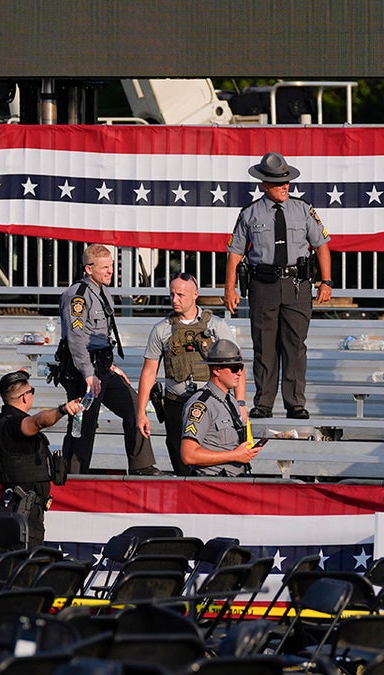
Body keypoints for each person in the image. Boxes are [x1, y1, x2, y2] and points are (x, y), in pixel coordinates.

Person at [224, 152, 333, 420]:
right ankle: (263, 403)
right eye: (278, 183)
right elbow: (235, 253)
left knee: (295, 346)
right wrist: (230, 287)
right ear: (264, 185)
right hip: (263, 286)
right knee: (264, 346)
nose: (285, 187)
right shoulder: (249, 213)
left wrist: (326, 281)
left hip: (297, 285)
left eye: (287, 182)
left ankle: (295, 403)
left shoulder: (303, 209)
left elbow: (321, 245)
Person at [57, 244, 163, 475]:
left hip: (103, 367)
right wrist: (88, 374)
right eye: (105, 267)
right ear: (88, 268)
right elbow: (76, 339)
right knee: (83, 424)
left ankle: (142, 465)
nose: (110, 271)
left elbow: (101, 337)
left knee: (135, 406)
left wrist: (110, 366)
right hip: (82, 371)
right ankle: (72, 476)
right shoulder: (78, 296)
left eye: (112, 266)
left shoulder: (102, 290)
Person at [136, 272, 245, 476]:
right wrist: (141, 411)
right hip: (176, 403)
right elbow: (149, 371)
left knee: (213, 460)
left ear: (195, 294)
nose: (174, 300)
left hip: (212, 404)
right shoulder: (162, 329)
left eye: (180, 295)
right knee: (181, 462)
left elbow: (237, 365)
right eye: (172, 294)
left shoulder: (216, 326)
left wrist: (240, 404)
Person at [0, 370, 81, 548]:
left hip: (22, 509)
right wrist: (63, 409)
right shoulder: (11, 424)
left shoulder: (2, 423)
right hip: (24, 512)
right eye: (32, 391)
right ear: (24, 397)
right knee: (24, 565)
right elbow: (37, 422)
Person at [181, 339, 263, 476]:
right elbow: (188, 455)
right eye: (234, 368)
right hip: (211, 484)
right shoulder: (201, 405)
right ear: (216, 370)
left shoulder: (231, 400)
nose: (240, 373)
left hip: (233, 481)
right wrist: (234, 455)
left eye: (241, 367)